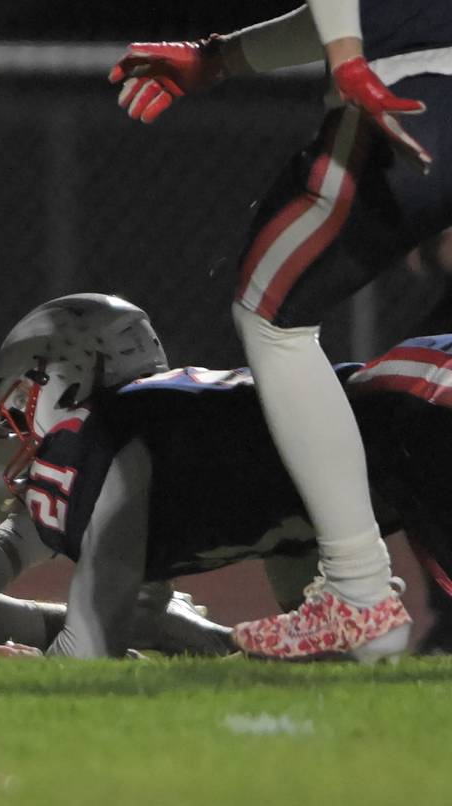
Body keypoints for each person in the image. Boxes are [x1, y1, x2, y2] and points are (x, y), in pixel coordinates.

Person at [107, 1, 452, 660]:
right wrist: (219, 58)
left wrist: (348, 59)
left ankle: (360, 594)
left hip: (418, 95)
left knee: (271, 311)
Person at [0, 295, 452, 660]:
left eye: (20, 413)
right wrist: (193, 634)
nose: (24, 435)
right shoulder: (204, 442)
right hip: (421, 399)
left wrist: (30, 663)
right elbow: (331, 646)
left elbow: (85, 650)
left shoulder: (100, 441)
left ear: (62, 381)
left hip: (422, 409)